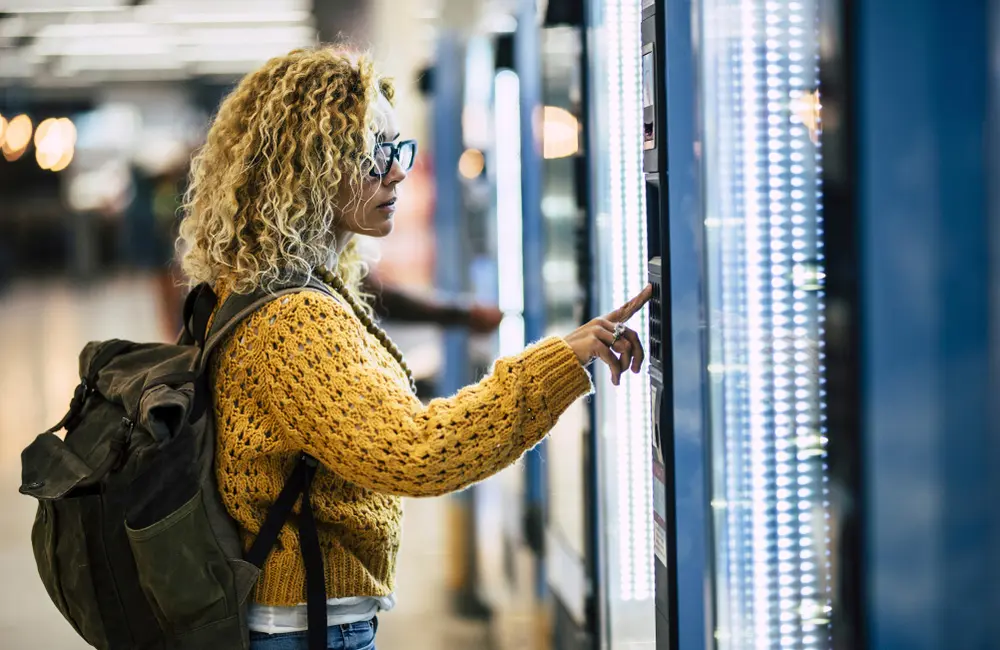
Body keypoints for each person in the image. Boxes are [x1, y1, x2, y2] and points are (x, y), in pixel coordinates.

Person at [177, 46, 651, 650]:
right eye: (374, 153)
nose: (396, 171)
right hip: (309, 626)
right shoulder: (292, 321)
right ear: (310, 165)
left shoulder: (269, 285)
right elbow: (416, 451)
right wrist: (561, 362)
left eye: (398, 149)